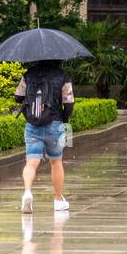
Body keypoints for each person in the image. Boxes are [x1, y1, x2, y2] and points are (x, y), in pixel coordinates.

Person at [16, 59, 75, 213]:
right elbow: (69, 102)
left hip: (33, 124)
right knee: (56, 162)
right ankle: (58, 200)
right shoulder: (62, 76)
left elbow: (18, 97)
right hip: (55, 124)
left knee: (31, 162)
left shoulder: (28, 75)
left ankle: (27, 192)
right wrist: (65, 119)